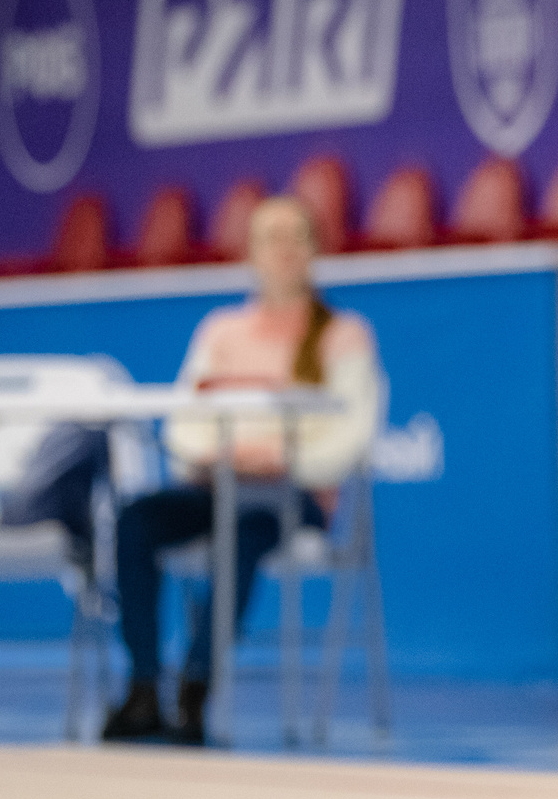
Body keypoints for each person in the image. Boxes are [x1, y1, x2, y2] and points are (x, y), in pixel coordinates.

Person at [101, 195, 384, 744]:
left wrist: (279, 459)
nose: (283, 250)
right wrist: (215, 456)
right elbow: (184, 424)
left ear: (314, 249)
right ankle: (141, 685)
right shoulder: (220, 331)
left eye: (294, 236)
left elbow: (349, 438)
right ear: (249, 253)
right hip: (215, 486)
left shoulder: (342, 335)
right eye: (269, 238)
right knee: (135, 519)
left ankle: (196, 686)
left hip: (290, 497)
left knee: (244, 530)